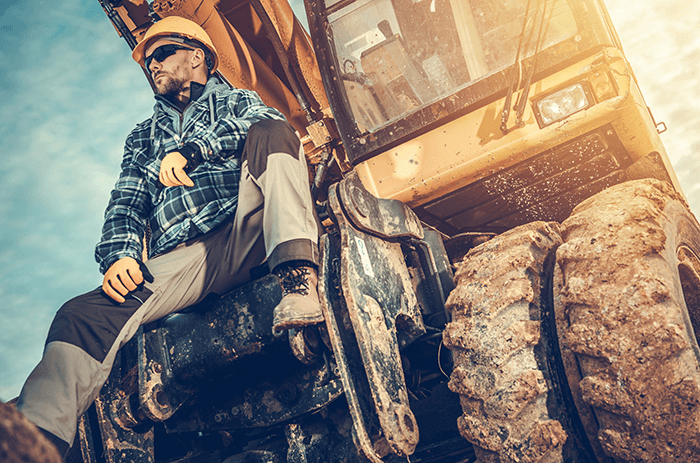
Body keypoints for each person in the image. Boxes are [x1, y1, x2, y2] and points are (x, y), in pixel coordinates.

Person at [15, 16, 324, 458]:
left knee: (274, 135)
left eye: (161, 54)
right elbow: (126, 201)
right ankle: (32, 444)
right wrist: (120, 254)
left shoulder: (238, 102)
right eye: (147, 62)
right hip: (188, 258)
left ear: (196, 56)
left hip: (248, 229)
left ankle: (298, 283)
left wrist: (196, 149)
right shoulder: (142, 137)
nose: (152, 65)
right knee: (80, 316)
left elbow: (267, 123)